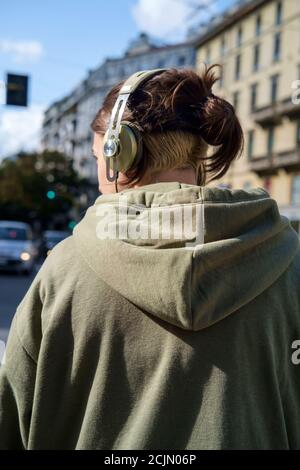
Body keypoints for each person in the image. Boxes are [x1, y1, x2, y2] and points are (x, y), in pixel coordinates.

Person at [0, 66, 299, 450]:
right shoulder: (289, 261)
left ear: (118, 153)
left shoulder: (65, 268)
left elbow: (13, 414)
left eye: (96, 157)